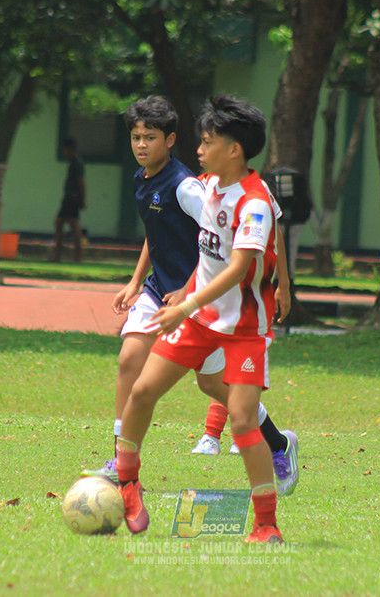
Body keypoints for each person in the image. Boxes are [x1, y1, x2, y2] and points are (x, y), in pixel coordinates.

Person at [82, 96, 298, 500]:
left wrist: (282, 283)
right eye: (135, 137)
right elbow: (156, 229)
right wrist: (136, 281)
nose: (141, 145)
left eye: (150, 137)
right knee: (132, 361)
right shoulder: (156, 180)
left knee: (217, 388)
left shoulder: (196, 188)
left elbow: (256, 239)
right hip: (166, 293)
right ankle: (121, 464)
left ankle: (278, 446)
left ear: (170, 140)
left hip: (206, 302)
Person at [52, 137, 85, 263]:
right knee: (63, 224)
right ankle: (61, 254)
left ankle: (74, 256)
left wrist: (82, 198)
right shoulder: (72, 162)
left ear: (70, 149)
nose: (64, 152)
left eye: (65, 150)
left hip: (73, 197)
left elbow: (81, 181)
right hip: (69, 197)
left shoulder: (77, 163)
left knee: (69, 224)